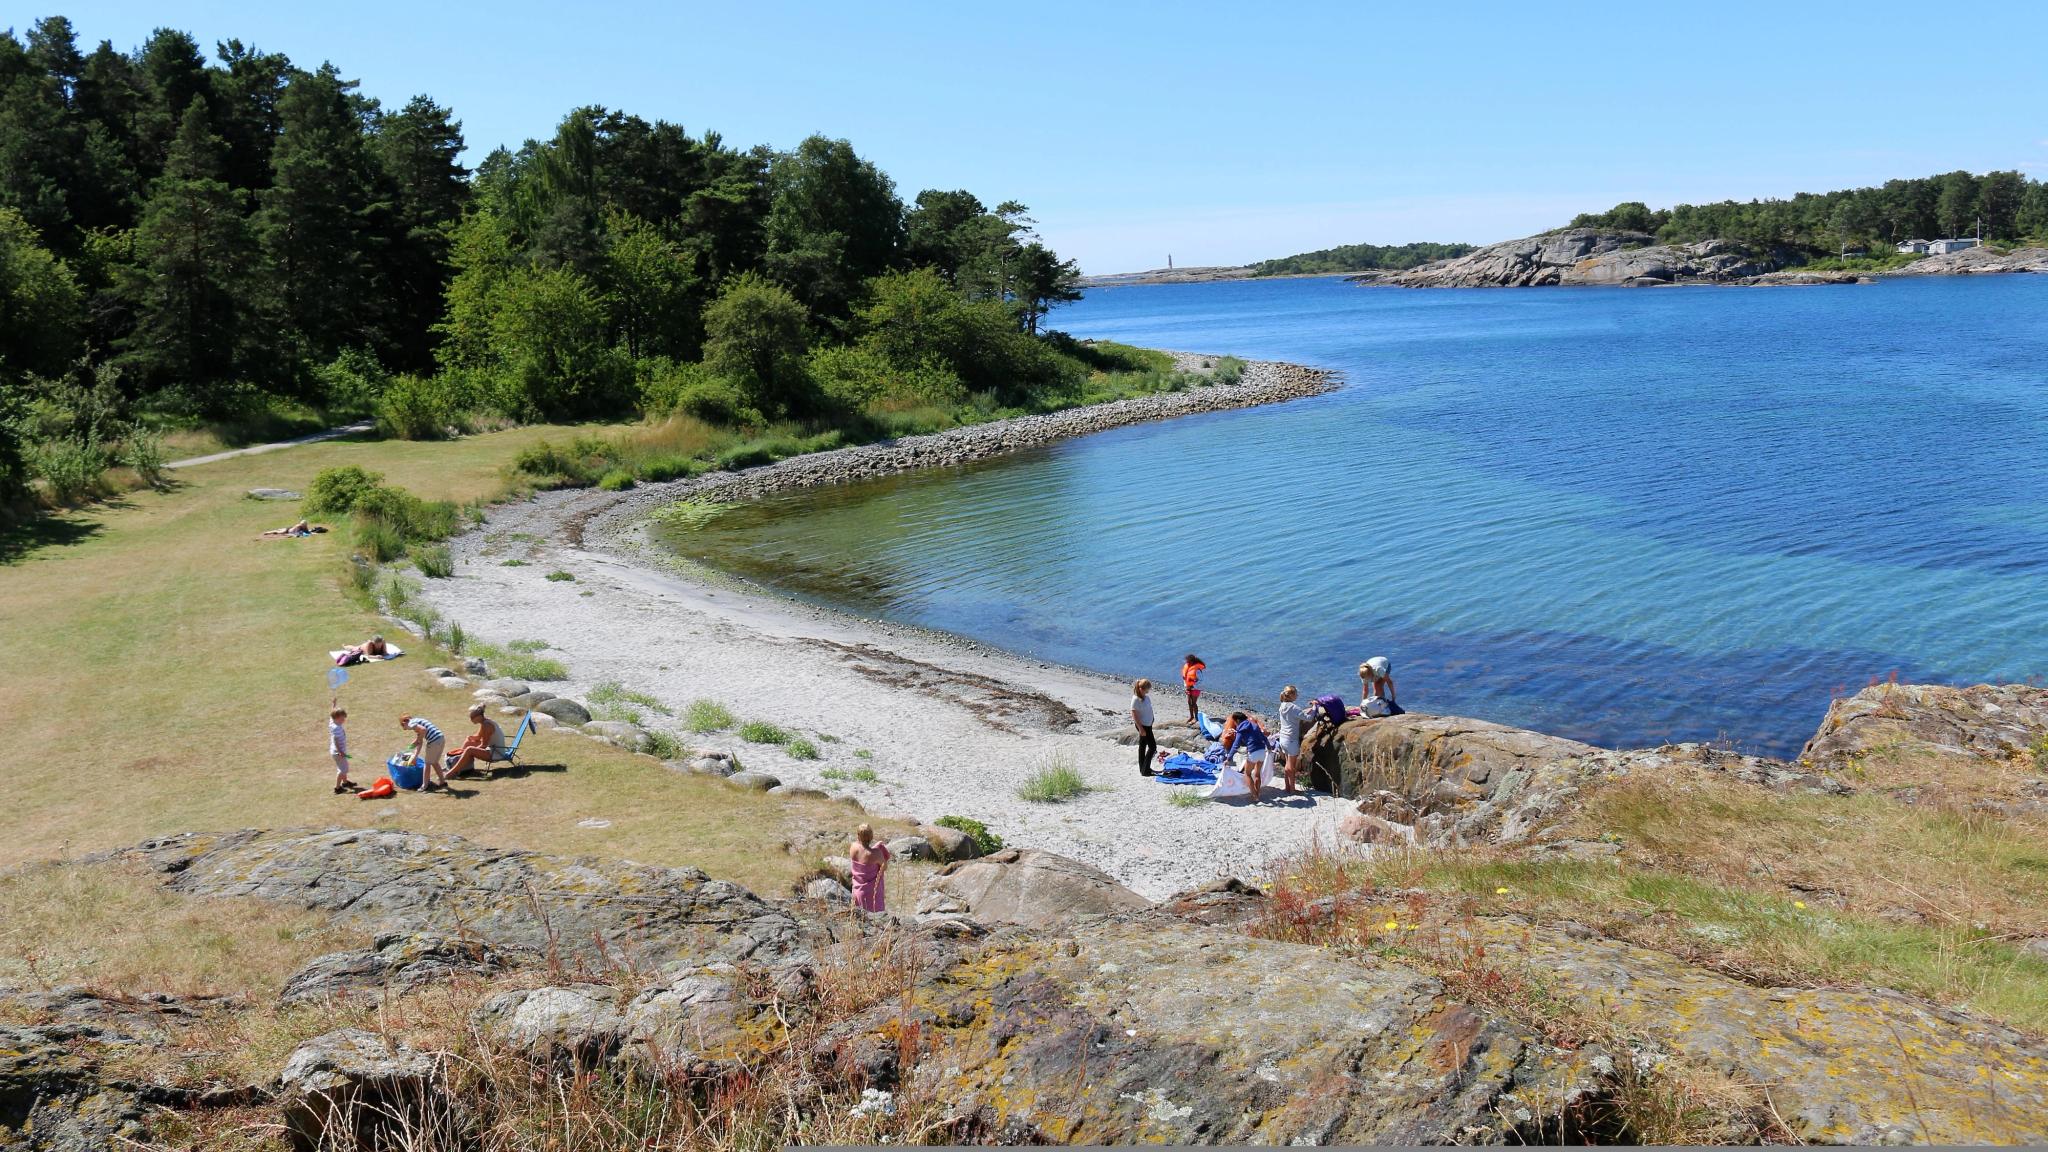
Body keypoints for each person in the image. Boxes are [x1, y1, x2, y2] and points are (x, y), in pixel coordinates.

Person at [446, 705, 506, 778]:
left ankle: (452, 772)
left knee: (469, 750)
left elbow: (484, 745)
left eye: (472, 717)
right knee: (468, 743)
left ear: (479, 716)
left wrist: (469, 751)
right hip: (492, 748)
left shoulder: (487, 725)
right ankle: (461, 766)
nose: (471, 719)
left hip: (496, 753)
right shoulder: (484, 722)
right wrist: (469, 738)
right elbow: (478, 737)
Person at [399, 713, 449, 791]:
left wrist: (418, 740)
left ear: (404, 723)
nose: (406, 729)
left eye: (404, 728)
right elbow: (419, 741)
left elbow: (423, 730)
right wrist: (409, 749)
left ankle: (425, 786)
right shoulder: (417, 721)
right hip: (440, 738)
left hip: (434, 741)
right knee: (434, 762)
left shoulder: (411, 723)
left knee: (427, 763)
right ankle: (442, 782)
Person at [1229, 710, 1271, 798]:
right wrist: (1269, 747)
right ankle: (1258, 793)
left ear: (1237, 720)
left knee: (1247, 774)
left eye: (1234, 722)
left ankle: (1254, 796)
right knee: (1257, 774)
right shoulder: (1255, 725)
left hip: (1253, 753)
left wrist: (1229, 758)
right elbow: (1264, 737)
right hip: (1262, 751)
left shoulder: (1241, 728)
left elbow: (1236, 744)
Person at [849, 823, 891, 913]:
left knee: (859, 920)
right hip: (871, 894)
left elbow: (863, 850)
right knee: (876, 921)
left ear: (858, 836)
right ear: (871, 836)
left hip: (857, 891)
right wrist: (878, 848)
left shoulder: (853, 847)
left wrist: (875, 847)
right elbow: (884, 866)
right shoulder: (876, 853)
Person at [1275, 686, 1307, 795]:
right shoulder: (1294, 707)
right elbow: (1308, 717)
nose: (1297, 695)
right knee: (1291, 766)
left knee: (1287, 764)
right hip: (1291, 740)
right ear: (1292, 695)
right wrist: (1315, 708)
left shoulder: (1282, 706)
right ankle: (1293, 789)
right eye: (1296, 693)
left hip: (1283, 738)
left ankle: (1287, 787)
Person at [1131, 678, 1157, 777]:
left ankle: (1143, 768)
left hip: (1148, 725)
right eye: (1147, 689)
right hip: (1143, 726)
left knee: (1142, 746)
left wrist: (1152, 718)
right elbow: (1134, 715)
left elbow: (1149, 709)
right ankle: (1145, 769)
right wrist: (1140, 728)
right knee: (1153, 747)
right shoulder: (1135, 699)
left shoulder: (1146, 697)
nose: (1148, 691)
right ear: (1141, 689)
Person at [329, 707, 356, 794]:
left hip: (337, 752)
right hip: (338, 753)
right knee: (342, 770)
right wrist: (340, 752)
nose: (344, 720)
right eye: (342, 718)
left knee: (343, 767)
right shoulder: (337, 728)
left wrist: (334, 704)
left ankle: (345, 783)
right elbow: (335, 740)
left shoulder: (332, 723)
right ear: (336, 718)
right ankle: (337, 788)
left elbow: (332, 713)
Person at [1180, 654, 1206, 726]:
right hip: (1188, 687)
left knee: (1193, 703)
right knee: (1189, 702)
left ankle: (1196, 718)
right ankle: (1191, 716)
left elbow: (1201, 680)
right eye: (1187, 662)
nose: (1187, 663)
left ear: (1192, 661)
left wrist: (1193, 686)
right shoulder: (1187, 668)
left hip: (1196, 688)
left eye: (1188, 661)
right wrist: (1187, 687)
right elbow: (1185, 679)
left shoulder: (1197, 670)